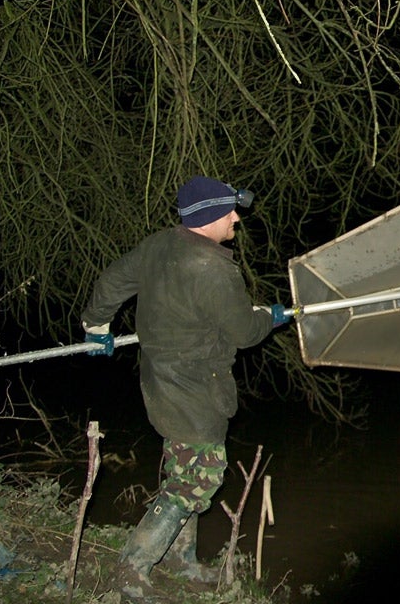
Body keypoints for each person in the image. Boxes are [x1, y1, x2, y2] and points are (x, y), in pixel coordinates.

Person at [80, 175, 293, 601]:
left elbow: (112, 282)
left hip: (159, 383)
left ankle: (181, 559)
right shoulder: (214, 268)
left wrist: (95, 325)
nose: (236, 218)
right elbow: (244, 331)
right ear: (210, 216)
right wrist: (269, 316)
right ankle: (133, 567)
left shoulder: (159, 246)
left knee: (184, 471)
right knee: (202, 476)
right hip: (196, 389)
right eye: (229, 212)